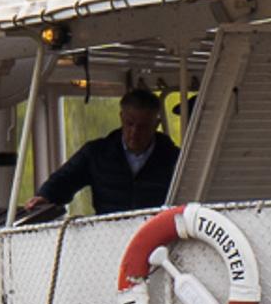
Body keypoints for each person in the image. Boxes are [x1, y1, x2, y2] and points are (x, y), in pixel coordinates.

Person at [20, 85, 180, 220]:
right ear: (121, 117)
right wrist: (45, 196)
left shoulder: (175, 159)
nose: (134, 132)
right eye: (129, 123)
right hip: (107, 234)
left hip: (155, 237)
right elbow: (66, 178)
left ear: (156, 124)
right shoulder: (96, 154)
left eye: (143, 126)